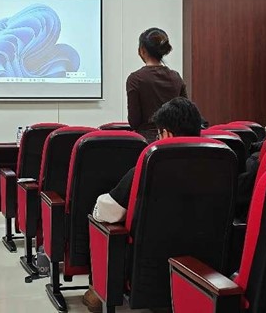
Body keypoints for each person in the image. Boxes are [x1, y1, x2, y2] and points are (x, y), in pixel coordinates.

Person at [84, 97, 202, 312]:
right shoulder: (217, 164)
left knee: (100, 220)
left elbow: (108, 212)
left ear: (166, 134)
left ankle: (98, 291)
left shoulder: (149, 167)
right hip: (202, 269)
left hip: (149, 271)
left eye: (158, 134)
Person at [126, 28, 187, 142]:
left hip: (146, 142)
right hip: (174, 142)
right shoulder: (176, 77)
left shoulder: (135, 79)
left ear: (142, 50)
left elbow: (134, 121)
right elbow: (185, 113)